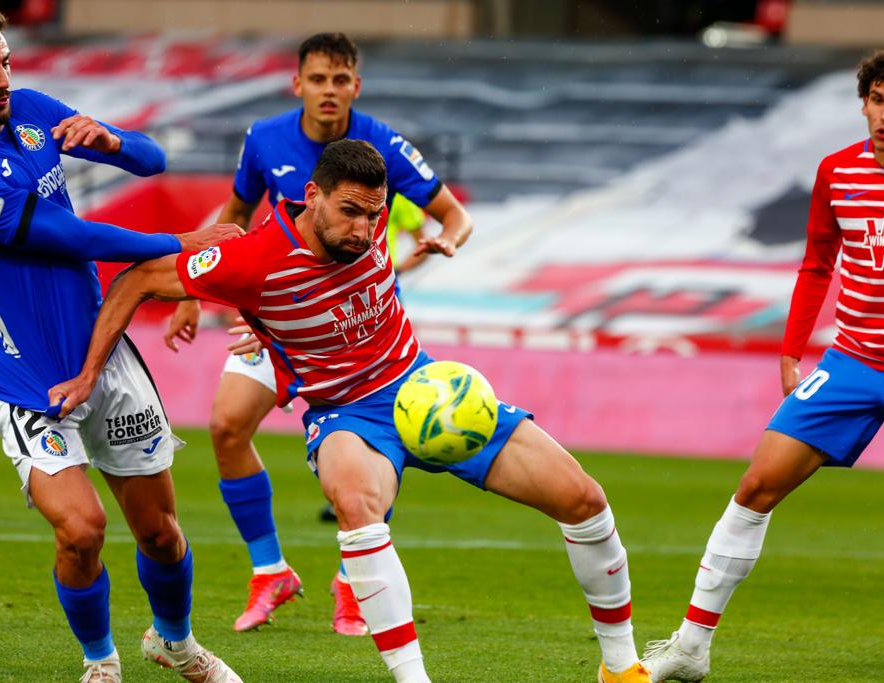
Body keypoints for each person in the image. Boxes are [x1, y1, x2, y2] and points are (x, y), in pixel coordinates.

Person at [50, 139, 651, 683]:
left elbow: (390, 252)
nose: (365, 231)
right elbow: (137, 280)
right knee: (358, 509)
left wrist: (284, 321)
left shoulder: (368, 221)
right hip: (347, 415)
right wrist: (88, 373)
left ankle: (620, 667)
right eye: (351, 213)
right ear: (312, 198)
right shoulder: (250, 259)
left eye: (375, 215)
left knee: (585, 500)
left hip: (426, 386)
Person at [0, 6, 243, 682]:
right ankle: (101, 661)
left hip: (108, 356)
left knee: (160, 531)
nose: (2, 78)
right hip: (28, 380)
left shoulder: (35, 112)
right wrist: (183, 244)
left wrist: (114, 139)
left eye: (5, 61)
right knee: (83, 527)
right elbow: (74, 238)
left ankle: (176, 643)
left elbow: (153, 162)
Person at [162, 32, 473, 636]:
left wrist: (445, 242)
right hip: (279, 320)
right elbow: (234, 217)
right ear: (297, 83)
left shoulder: (383, 145)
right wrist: (197, 295)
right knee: (226, 426)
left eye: (340, 80)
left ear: (356, 85)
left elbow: (455, 215)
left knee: (385, 442)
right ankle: (269, 571)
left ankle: (354, 580)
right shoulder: (265, 139)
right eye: (318, 80)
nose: (329, 91)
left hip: (361, 328)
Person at [641, 46, 884, 683]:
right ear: (863, 106)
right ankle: (691, 649)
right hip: (851, 359)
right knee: (756, 485)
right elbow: (816, 264)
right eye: (876, 100)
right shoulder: (836, 172)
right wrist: (789, 350)